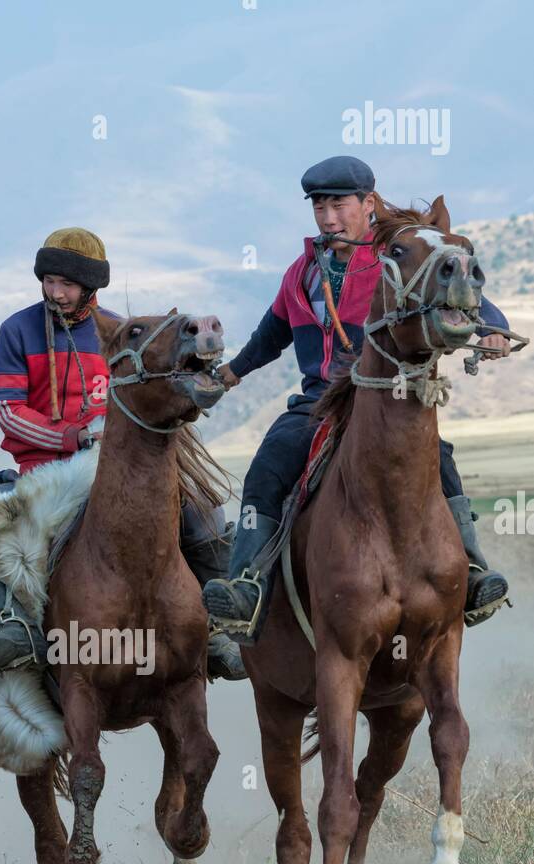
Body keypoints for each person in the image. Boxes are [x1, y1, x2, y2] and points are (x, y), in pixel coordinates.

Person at [0, 227, 246, 680]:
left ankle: (218, 630)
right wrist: (74, 437)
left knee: (203, 507)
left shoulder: (119, 334)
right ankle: (9, 626)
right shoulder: (17, 330)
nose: (55, 292)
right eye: (48, 281)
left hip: (117, 468)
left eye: (66, 284)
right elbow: (9, 413)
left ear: (90, 286)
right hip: (38, 475)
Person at [202, 156, 512, 642]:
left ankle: (471, 570)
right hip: (319, 402)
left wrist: (493, 328)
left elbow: (458, 289)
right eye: (319, 206)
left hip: (388, 399)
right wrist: (231, 374)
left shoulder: (400, 258)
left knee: (440, 460)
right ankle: (246, 586)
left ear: (368, 204)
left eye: (339, 204)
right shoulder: (301, 272)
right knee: (267, 464)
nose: (328, 217)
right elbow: (272, 334)